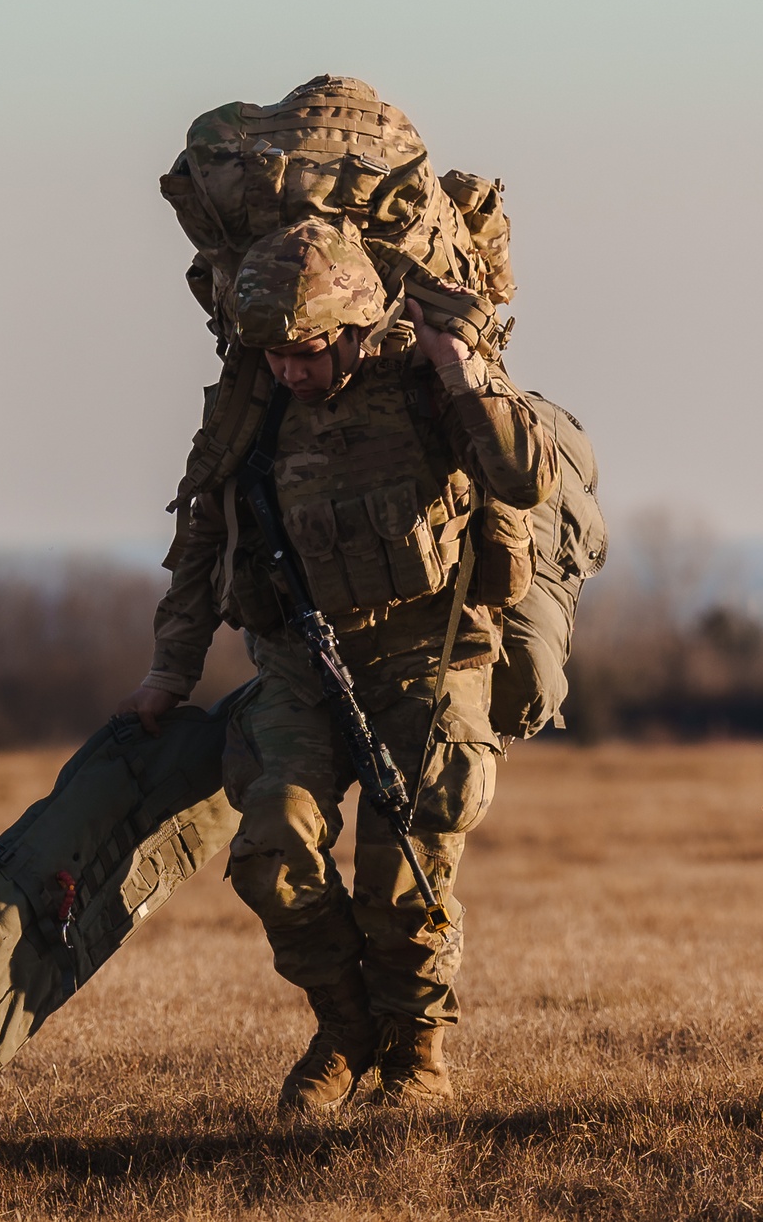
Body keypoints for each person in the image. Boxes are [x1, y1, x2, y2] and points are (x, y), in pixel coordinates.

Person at [117, 218, 558, 1111]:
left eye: (306, 350)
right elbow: (203, 533)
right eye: (272, 350)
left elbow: (522, 479)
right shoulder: (255, 406)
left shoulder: (427, 384)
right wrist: (171, 669)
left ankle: (418, 1056)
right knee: (272, 848)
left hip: (425, 655)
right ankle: (348, 1029)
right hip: (299, 663)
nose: (287, 367)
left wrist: (461, 369)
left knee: (403, 874)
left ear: (356, 327)